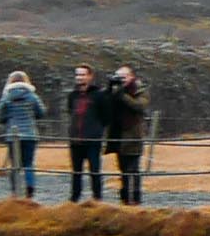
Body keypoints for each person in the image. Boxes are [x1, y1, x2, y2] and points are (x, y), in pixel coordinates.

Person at [101, 65, 151, 203]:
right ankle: (124, 198)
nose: (121, 80)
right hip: (118, 135)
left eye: (123, 77)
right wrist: (109, 89)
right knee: (122, 170)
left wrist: (122, 95)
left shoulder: (140, 91)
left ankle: (135, 198)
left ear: (131, 77)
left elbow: (138, 106)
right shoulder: (115, 91)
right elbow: (103, 103)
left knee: (133, 169)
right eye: (118, 77)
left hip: (133, 137)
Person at [0, 69, 43, 200]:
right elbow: (41, 112)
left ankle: (15, 192)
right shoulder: (32, 96)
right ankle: (30, 192)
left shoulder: (7, 97)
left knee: (15, 164)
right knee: (28, 163)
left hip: (12, 135)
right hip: (30, 134)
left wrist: (8, 119)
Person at [62, 64, 104, 205]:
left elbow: (105, 116)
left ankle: (97, 198)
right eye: (77, 75)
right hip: (75, 140)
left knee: (95, 171)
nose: (79, 77)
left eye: (82, 74)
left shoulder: (98, 95)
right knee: (76, 172)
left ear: (90, 76)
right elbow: (71, 112)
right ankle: (74, 199)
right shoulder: (72, 95)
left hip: (92, 140)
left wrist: (95, 130)